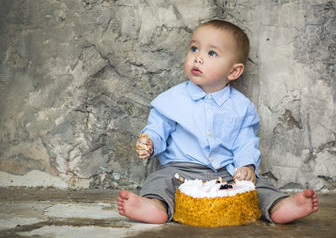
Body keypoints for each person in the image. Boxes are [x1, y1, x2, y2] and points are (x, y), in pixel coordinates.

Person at [118, 19, 318, 224]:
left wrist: (246, 167)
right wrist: (149, 141)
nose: (198, 58)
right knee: (159, 181)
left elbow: (245, 142)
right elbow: (158, 128)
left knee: (256, 185)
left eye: (211, 53)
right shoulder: (172, 99)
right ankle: (155, 206)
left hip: (226, 173)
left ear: (234, 71)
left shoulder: (241, 107)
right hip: (180, 170)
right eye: (194, 49)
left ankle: (278, 205)